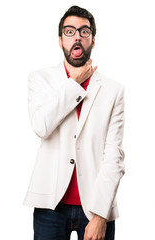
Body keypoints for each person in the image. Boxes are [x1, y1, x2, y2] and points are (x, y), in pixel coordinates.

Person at [24, 5, 125, 240]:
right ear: (60, 40)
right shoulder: (40, 79)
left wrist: (100, 215)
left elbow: (114, 156)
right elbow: (41, 126)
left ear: (93, 40)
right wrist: (75, 84)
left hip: (96, 207)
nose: (77, 36)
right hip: (50, 205)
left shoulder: (113, 90)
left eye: (84, 31)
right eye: (69, 32)